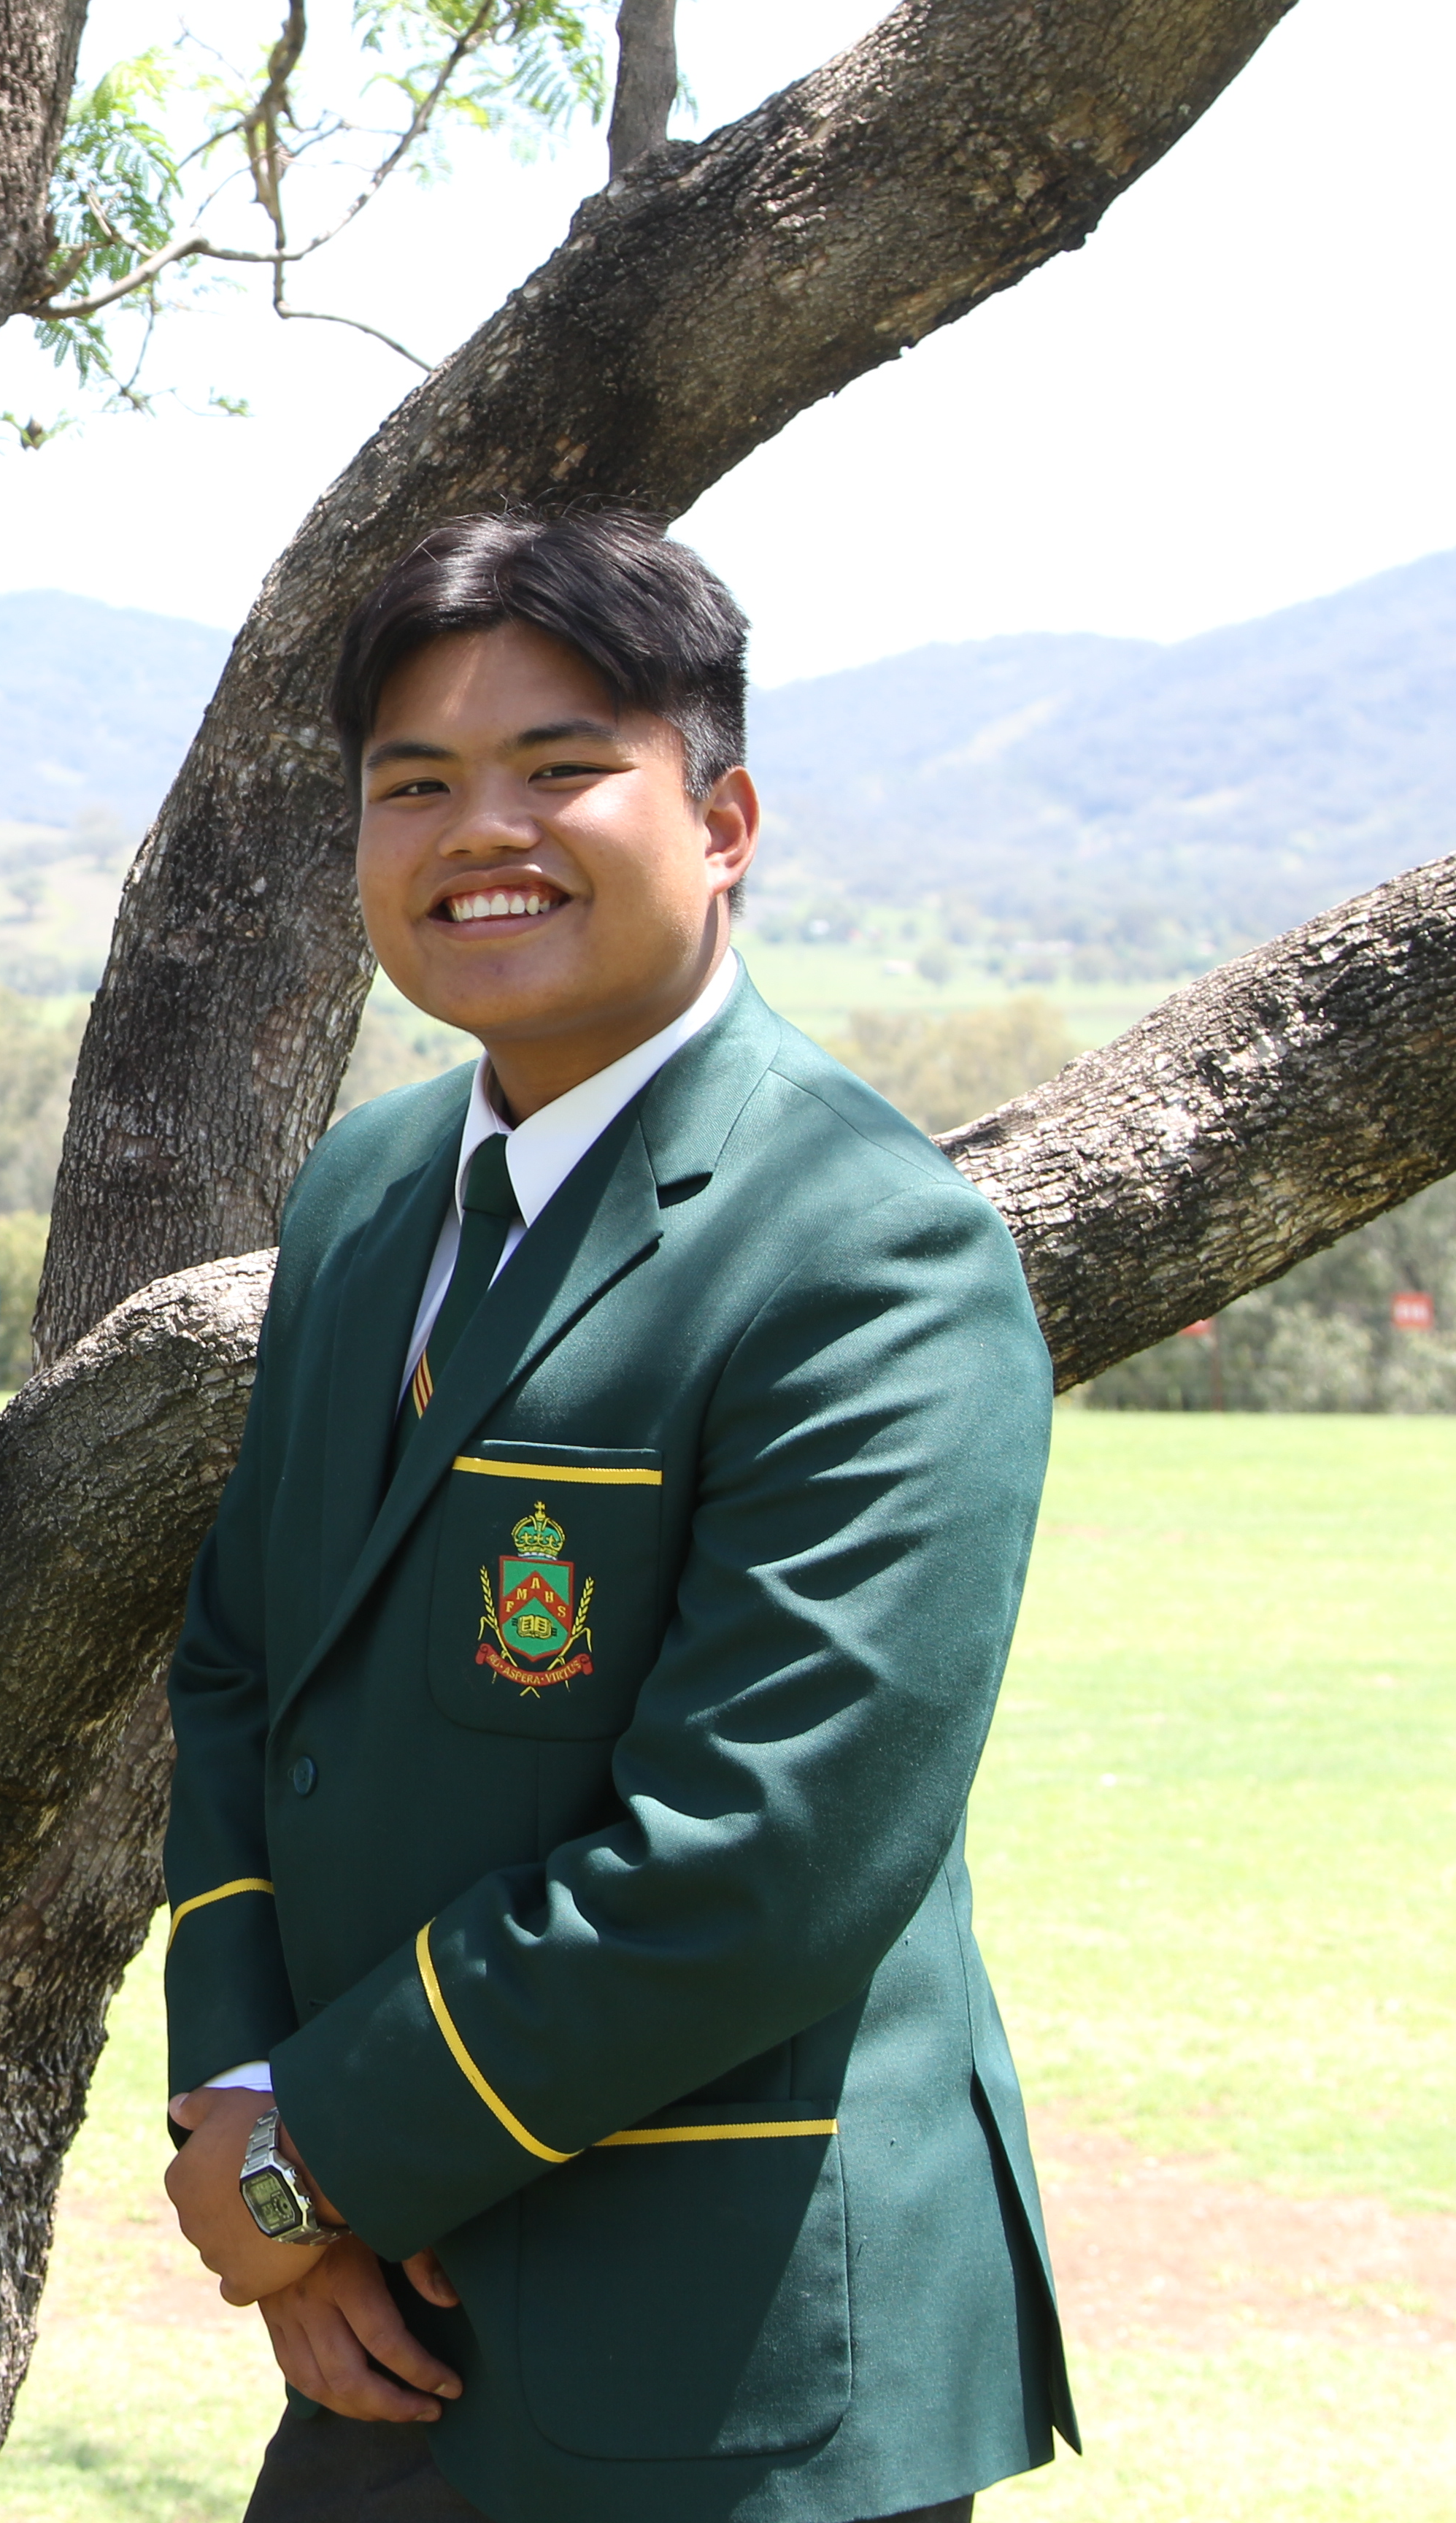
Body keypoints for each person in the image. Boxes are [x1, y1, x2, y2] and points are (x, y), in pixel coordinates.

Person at [153, 511, 1076, 2523]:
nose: (484, 830)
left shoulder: (868, 1254)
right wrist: (240, 2109)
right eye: (416, 786)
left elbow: (755, 1859)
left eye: (562, 767)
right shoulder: (366, 1196)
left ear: (725, 815)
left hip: (721, 2361)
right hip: (374, 2319)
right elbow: (244, 1674)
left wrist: (318, 2152)